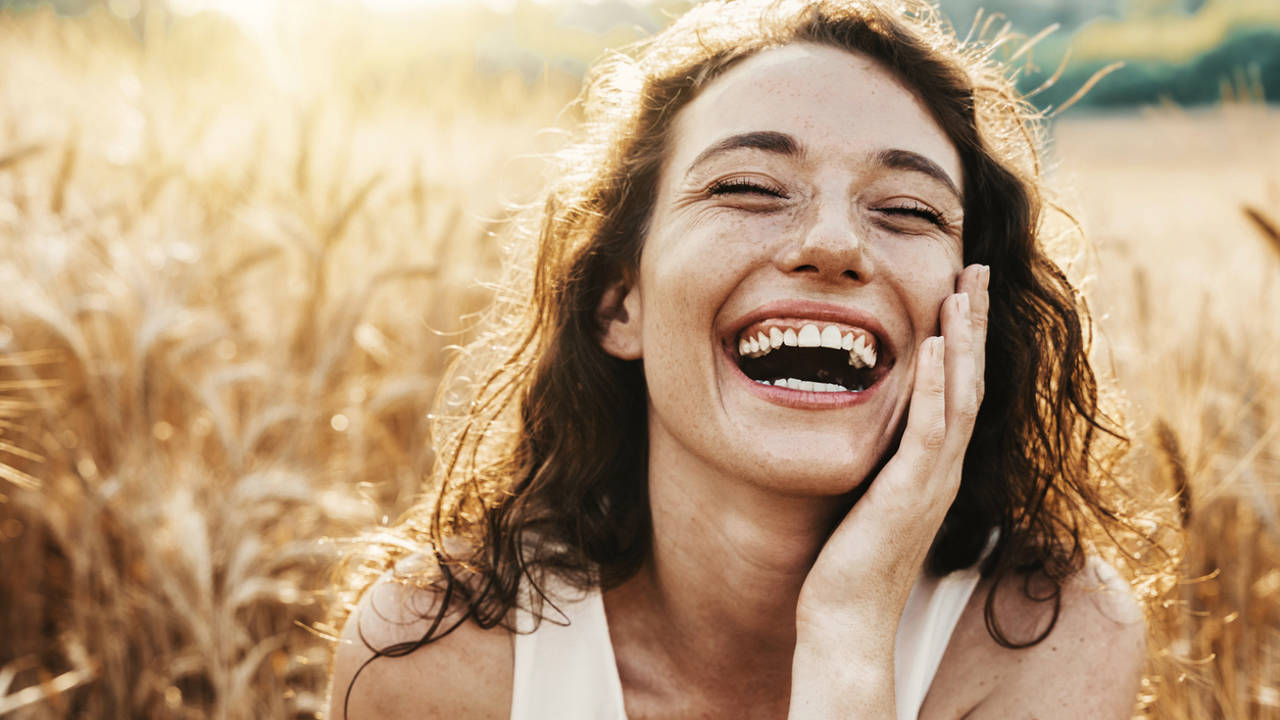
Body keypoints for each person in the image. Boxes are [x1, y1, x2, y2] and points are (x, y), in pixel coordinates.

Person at [327, 1, 1158, 717]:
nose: (834, 244)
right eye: (748, 188)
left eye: (907, 209)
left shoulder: (1048, 638)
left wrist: (848, 632)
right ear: (621, 304)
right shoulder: (431, 660)